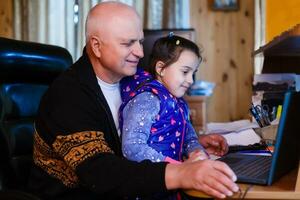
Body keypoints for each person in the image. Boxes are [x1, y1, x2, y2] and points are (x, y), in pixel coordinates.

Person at [28, 1, 239, 200]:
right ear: (97, 46)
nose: (140, 52)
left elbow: (135, 135)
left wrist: (182, 140)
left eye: (139, 40)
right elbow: (101, 173)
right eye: (128, 43)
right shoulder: (69, 96)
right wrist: (182, 173)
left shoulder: (135, 80)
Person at [119, 34, 227, 166]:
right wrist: (177, 167)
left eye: (193, 73)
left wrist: (197, 152)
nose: (190, 80)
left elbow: (189, 138)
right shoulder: (147, 99)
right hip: (152, 178)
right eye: (185, 72)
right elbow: (132, 148)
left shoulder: (179, 103)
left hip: (176, 173)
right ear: (161, 69)